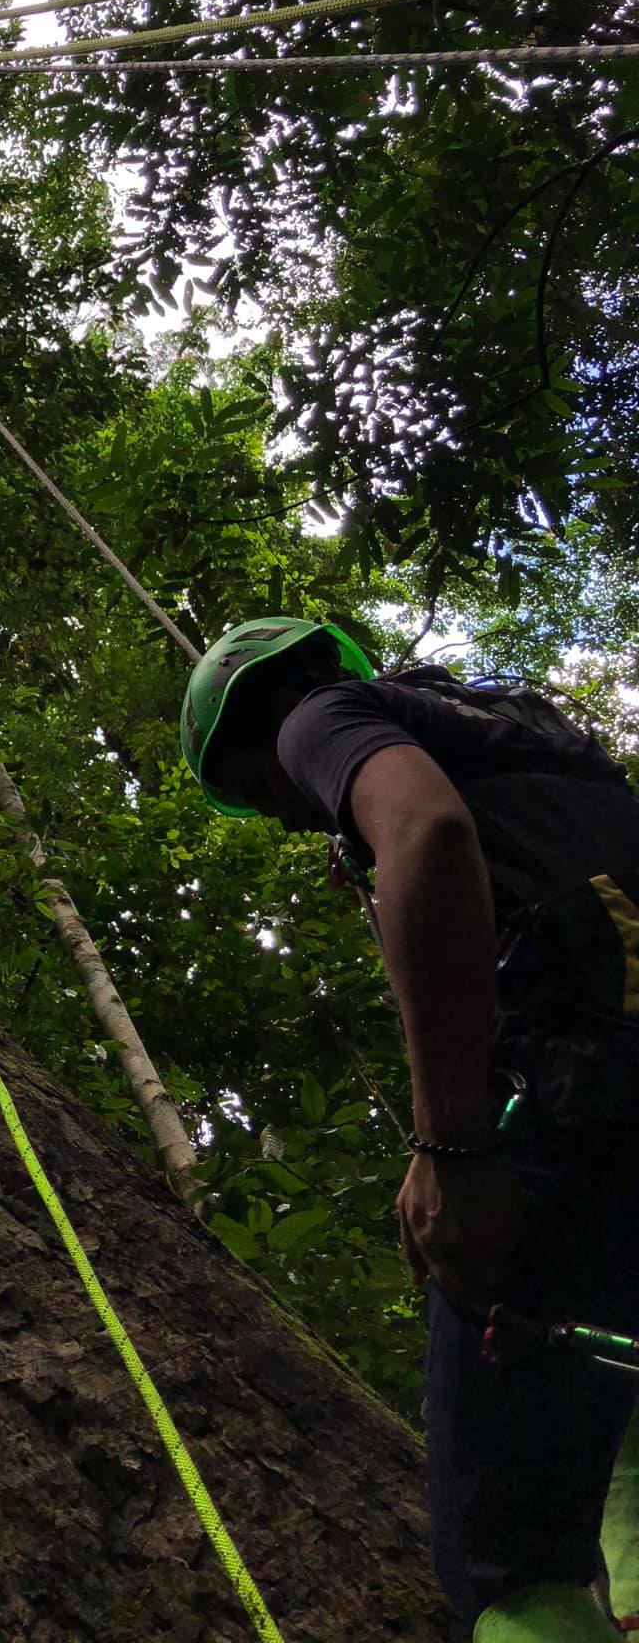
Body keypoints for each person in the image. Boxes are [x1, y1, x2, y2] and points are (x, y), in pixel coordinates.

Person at [180, 618, 639, 1643]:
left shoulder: (316, 717)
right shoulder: (514, 725)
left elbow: (426, 833)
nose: (290, 818)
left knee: (506, 1557)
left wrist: (452, 1142)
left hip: (578, 1082)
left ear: (257, 747)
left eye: (262, 795)